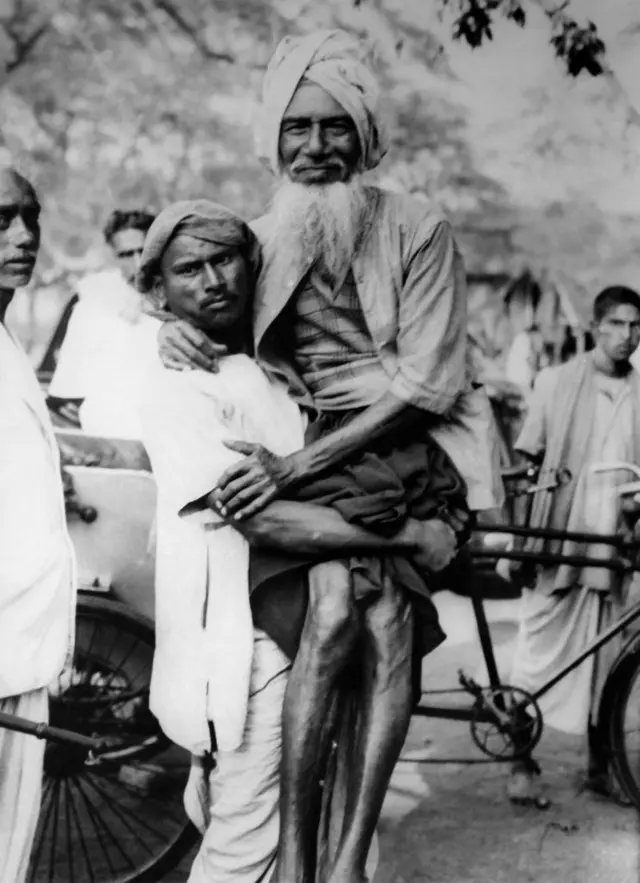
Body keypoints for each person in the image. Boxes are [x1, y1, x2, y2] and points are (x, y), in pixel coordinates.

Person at [159, 30, 502, 883]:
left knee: (380, 620)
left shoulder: (418, 227)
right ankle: (314, 857)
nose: (316, 148)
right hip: (314, 449)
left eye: (335, 126)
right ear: (273, 138)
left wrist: (293, 471)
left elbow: (425, 386)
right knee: (342, 613)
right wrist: (170, 328)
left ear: (365, 132)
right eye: (297, 128)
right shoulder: (260, 238)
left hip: (408, 446)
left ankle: (343, 856)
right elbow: (211, 299)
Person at [137, 199, 467, 882]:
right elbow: (265, 521)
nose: (213, 280)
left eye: (225, 259)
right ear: (160, 290)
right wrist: (408, 534)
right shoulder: (178, 384)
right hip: (246, 643)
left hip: (320, 621)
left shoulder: (285, 362)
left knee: (335, 837)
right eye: (189, 268)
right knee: (245, 843)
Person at [509, 285, 640, 805]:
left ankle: (599, 768)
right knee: (534, 657)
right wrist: (521, 542)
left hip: (613, 548)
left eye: (636, 327)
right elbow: (526, 463)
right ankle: (519, 759)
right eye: (617, 324)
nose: (627, 336)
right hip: (560, 542)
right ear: (596, 325)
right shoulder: (556, 382)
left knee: (605, 661)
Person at [0, 166, 76, 882]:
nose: (23, 237)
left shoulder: (9, 343)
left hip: (19, 651)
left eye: (29, 216)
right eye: (1, 219)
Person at [47, 208, 160, 439]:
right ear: (113, 257)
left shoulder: (182, 302)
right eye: (126, 254)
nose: (138, 263)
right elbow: (66, 396)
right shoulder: (92, 306)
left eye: (143, 251)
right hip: (107, 429)